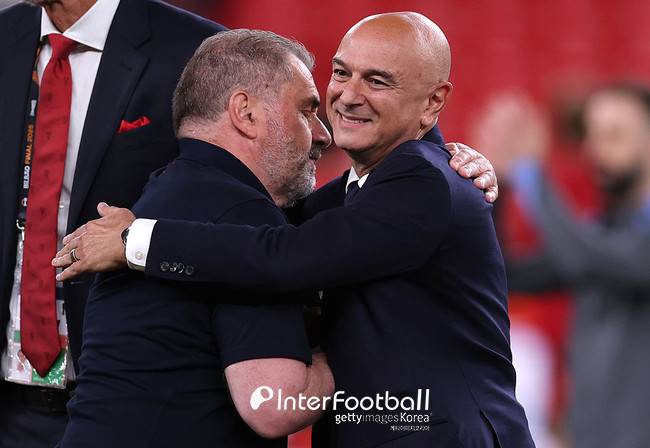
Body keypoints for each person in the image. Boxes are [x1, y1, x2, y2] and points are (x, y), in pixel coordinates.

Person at [56, 12, 532, 447]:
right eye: (341, 73)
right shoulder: (361, 190)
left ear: (434, 101)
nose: (347, 97)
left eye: (377, 81)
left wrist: (135, 240)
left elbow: (284, 255)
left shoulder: (424, 180)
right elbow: (265, 237)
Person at [57, 30, 336, 448]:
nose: (322, 134)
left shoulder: (161, 194)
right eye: (306, 110)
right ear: (245, 113)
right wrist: (359, 349)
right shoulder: (243, 213)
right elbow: (273, 404)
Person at [0, 0, 225, 446]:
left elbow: (239, 208)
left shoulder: (199, 50)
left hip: (132, 404)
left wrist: (138, 237)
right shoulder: (7, 35)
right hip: (10, 407)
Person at [491, 83, 650, 448]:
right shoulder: (604, 231)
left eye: (615, 134)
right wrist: (497, 184)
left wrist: (529, 171)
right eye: (591, 136)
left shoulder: (599, 245)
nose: (595, 150)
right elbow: (506, 275)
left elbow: (585, 255)